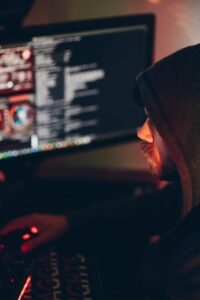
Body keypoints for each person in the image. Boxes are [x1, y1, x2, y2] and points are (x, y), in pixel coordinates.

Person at [1, 43, 200, 299]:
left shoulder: (194, 270)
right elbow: (156, 206)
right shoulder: (188, 199)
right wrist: (67, 223)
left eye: (157, 121)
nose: (142, 132)